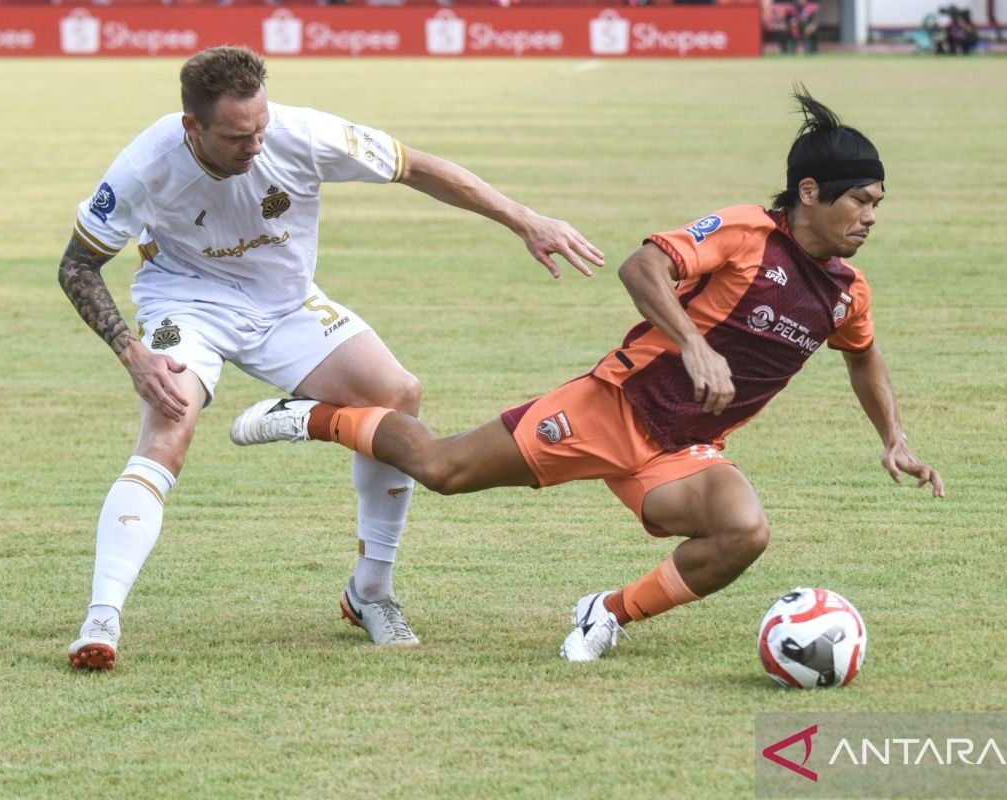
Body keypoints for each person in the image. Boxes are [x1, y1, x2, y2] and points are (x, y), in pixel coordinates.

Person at [230, 87, 945, 662]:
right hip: (613, 407)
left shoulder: (848, 291)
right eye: (862, 200)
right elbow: (644, 268)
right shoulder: (746, 234)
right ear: (811, 191)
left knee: (741, 533)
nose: (871, 217)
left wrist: (895, 437)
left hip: (684, 450)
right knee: (443, 469)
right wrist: (693, 344)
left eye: (878, 203)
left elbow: (863, 355)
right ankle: (311, 417)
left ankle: (606, 613)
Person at [60, 46, 604, 671]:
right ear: (193, 128)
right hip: (188, 302)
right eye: (239, 136)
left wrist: (522, 218)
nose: (256, 146)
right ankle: (101, 618)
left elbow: (416, 167)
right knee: (167, 431)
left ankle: (370, 590)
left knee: (397, 393)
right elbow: (77, 263)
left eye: (261, 127)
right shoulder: (145, 165)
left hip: (287, 304)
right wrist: (131, 352)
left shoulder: (304, 134)